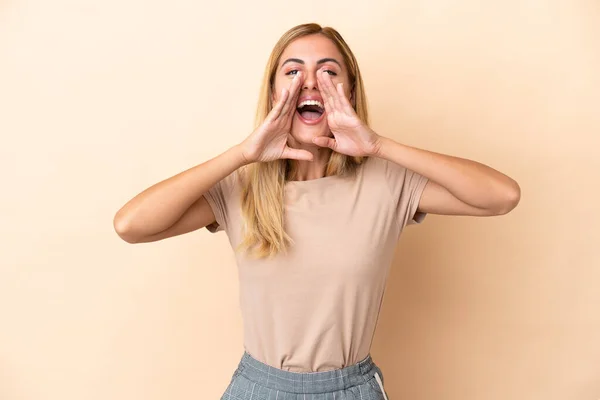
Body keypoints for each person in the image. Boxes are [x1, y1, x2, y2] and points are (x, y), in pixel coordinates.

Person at [113, 23, 520, 400]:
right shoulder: (241, 187)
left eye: (328, 72)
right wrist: (242, 154)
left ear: (350, 91)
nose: (309, 81)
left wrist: (378, 145)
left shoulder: (387, 182)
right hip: (259, 388)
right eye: (292, 72)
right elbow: (131, 225)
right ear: (274, 94)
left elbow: (501, 196)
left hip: (352, 388)